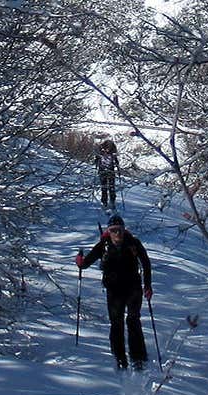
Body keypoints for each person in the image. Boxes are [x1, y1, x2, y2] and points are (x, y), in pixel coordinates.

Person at [74, 214, 152, 370]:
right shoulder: (103, 245)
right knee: (116, 323)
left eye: (120, 230)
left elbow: (146, 263)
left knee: (133, 320)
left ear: (124, 230)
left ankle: (137, 357)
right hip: (114, 290)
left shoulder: (134, 243)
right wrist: (80, 262)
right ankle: (120, 357)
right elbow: (86, 263)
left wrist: (148, 286)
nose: (117, 233)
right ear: (109, 231)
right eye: (114, 230)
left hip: (133, 288)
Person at [94, 139, 119, 209]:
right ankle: (104, 201)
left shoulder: (113, 152)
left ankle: (112, 201)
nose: (107, 150)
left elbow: (116, 160)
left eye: (108, 149)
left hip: (110, 171)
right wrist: (97, 161)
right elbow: (96, 159)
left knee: (111, 187)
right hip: (103, 170)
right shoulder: (101, 151)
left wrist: (117, 164)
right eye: (106, 149)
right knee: (104, 187)